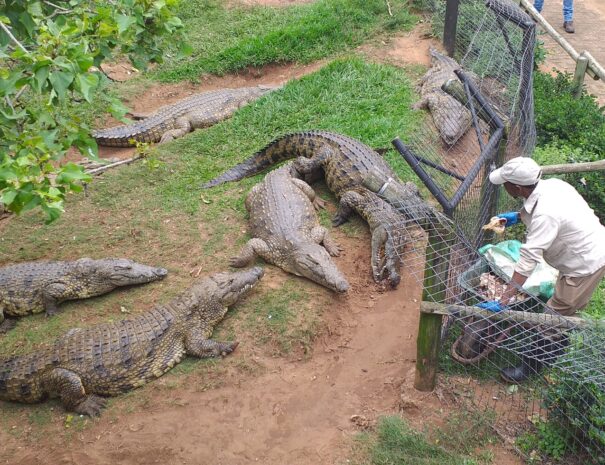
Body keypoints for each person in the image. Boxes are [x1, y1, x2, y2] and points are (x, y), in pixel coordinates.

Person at [488, 156, 605, 382]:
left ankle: (531, 367)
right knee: (558, 313)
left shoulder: (545, 214)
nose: (504, 186)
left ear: (517, 187)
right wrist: (520, 216)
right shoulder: (554, 185)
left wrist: (505, 298)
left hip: (585, 265)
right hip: (585, 249)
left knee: (553, 317)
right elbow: (549, 215)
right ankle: (556, 344)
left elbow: (529, 257)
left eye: (506, 182)